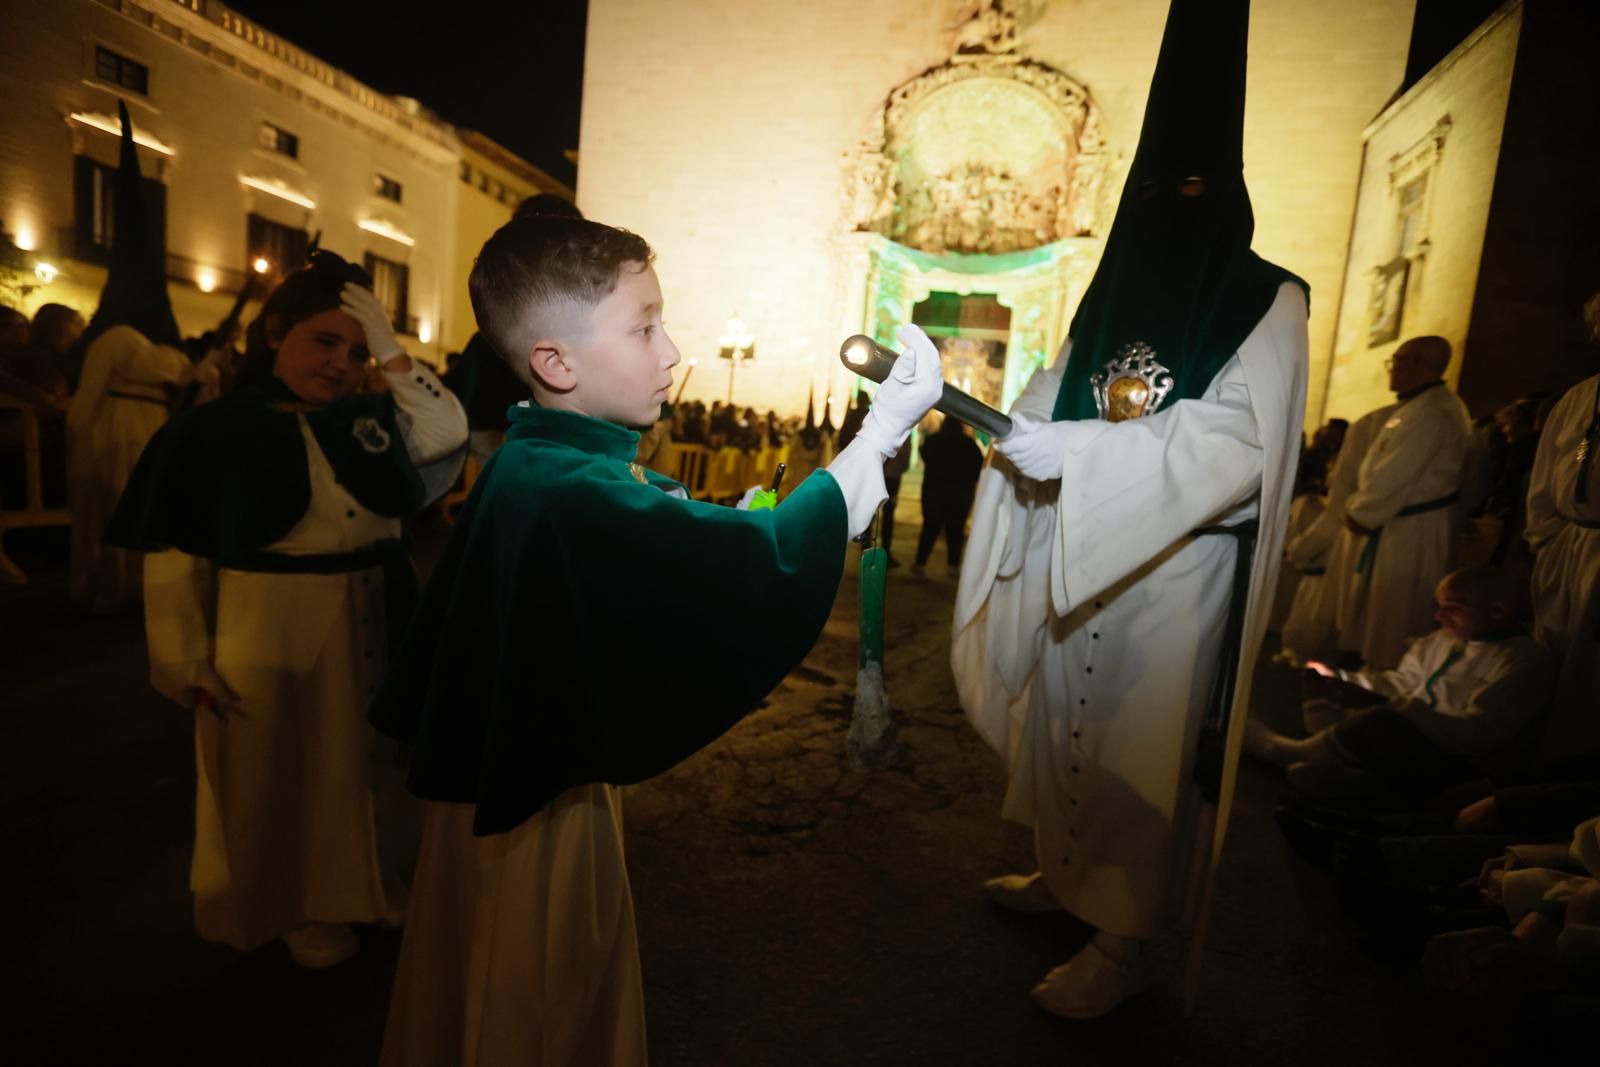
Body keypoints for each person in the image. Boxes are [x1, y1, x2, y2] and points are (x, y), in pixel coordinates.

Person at [369, 214, 943, 1065]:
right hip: (538, 809)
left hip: (500, 779)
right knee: (540, 996)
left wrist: (716, 526)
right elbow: (760, 568)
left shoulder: (539, 458)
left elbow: (635, 554)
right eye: (644, 326)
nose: (672, 350)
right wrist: (881, 432)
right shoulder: (562, 486)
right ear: (555, 362)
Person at [951, 0, 1309, 1018]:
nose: (1171, 204)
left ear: (1228, 195)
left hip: (1176, 572)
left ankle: (1125, 935)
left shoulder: (1265, 299)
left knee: (1137, 750)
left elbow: (1237, 443)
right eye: (1154, 189)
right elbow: (1049, 388)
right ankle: (1067, 880)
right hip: (1083, 546)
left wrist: (1069, 449)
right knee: (1066, 731)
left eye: (1190, 187)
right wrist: (1009, 424)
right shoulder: (1106, 295)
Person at [105, 251, 468, 966]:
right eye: (324, 342)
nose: (341, 363)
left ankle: (369, 885)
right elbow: (177, 549)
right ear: (275, 333)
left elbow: (448, 430)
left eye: (356, 350)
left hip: (371, 605)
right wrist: (185, 656)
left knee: (365, 763)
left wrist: (392, 355)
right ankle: (295, 905)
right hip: (269, 619)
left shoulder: (371, 419)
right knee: (280, 773)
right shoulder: (213, 428)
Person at [1247, 566, 1555, 800]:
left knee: (1382, 721)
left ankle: (1288, 751)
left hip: (1455, 759)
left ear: (1497, 611)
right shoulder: (1442, 641)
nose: (1439, 617)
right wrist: (1338, 680)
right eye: (1438, 606)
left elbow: (1477, 735)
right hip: (1407, 735)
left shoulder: (1523, 662)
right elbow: (1399, 684)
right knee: (1334, 697)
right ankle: (1349, 773)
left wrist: (1395, 710)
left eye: (1453, 607)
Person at [1329, 335, 1471, 669]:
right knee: (1377, 613)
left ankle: (1385, 680)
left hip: (1411, 530)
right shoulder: (1418, 407)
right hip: (1396, 522)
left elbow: (1397, 473)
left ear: (1420, 364)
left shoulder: (1433, 411)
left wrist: (1361, 512)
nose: (1391, 369)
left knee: (1395, 615)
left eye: (1397, 360)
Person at [1523, 290, 1600, 760]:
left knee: (1587, 676)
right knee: (1550, 659)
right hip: (1566, 545)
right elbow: (1546, 474)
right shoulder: (1579, 398)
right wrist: (1545, 540)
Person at [1278, 403, 1395, 665]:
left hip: (1328, 561)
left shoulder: (1345, 502)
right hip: (1326, 553)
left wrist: (1298, 550)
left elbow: (1330, 522)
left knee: (1319, 616)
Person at [912, 415, 984, 577]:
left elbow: (924, 454)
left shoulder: (934, 441)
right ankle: (953, 566)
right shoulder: (968, 445)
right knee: (955, 531)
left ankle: (920, 563)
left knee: (929, 529)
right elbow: (978, 469)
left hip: (934, 493)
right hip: (959, 496)